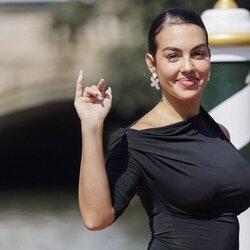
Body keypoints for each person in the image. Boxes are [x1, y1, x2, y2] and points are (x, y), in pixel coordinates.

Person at [74, 7, 250, 250]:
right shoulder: (136, 142)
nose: (187, 67)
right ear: (152, 63)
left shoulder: (219, 132)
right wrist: (91, 126)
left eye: (198, 54)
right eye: (173, 56)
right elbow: (96, 218)